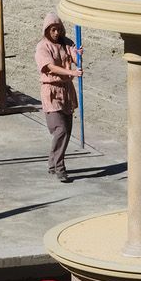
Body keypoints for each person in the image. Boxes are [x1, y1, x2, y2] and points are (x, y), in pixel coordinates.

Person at [36, 12, 81, 182]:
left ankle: (52, 163)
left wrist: (78, 54)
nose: (56, 33)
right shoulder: (42, 47)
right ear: (47, 30)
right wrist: (71, 72)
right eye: (53, 30)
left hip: (67, 92)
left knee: (67, 132)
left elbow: (74, 56)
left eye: (58, 29)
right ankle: (60, 167)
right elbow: (50, 67)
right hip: (52, 92)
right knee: (60, 129)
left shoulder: (66, 42)